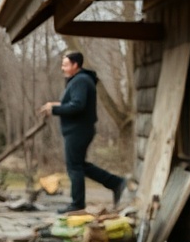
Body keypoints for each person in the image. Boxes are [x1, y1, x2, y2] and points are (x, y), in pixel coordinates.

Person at [38, 51, 126, 213]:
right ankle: (116, 183)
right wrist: (54, 105)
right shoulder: (79, 81)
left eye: (65, 65)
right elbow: (74, 102)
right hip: (78, 130)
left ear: (75, 65)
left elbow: (77, 106)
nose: (62, 68)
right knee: (80, 166)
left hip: (78, 131)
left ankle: (77, 204)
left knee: (74, 167)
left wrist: (55, 109)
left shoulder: (81, 81)